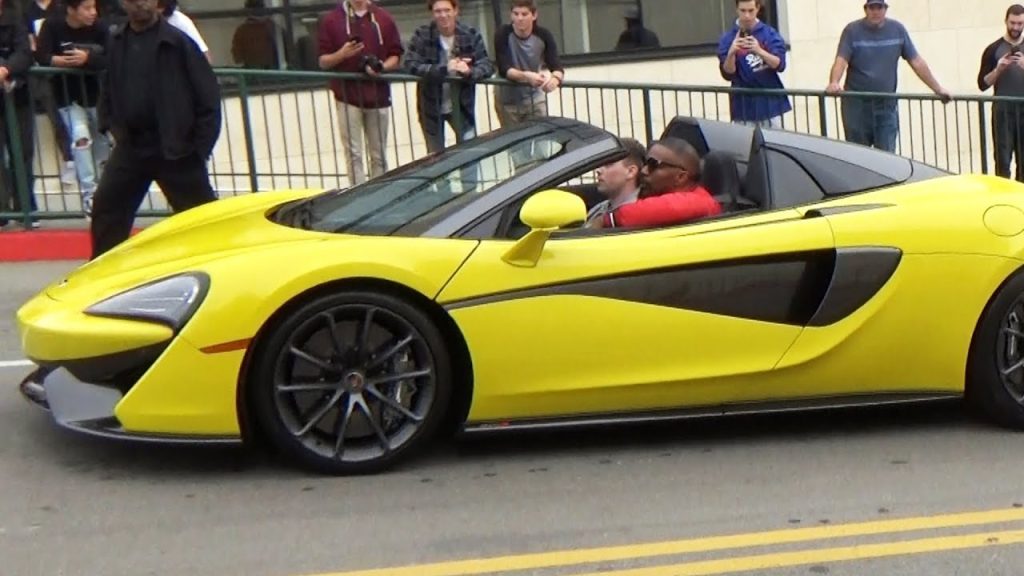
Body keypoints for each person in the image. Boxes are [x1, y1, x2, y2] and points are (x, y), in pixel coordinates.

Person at [90, 0, 221, 258]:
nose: (140, 3)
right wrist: (108, 123)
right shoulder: (116, 41)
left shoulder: (178, 42)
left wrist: (198, 150)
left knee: (203, 220)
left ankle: (216, 269)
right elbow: (108, 87)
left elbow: (208, 98)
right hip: (131, 147)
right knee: (107, 209)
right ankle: (103, 279)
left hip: (176, 150)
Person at [826, 0, 951, 152]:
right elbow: (841, 60)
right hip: (856, 105)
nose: (875, 11)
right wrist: (834, 82)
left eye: (879, 7)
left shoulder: (897, 30)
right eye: (872, 7)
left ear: (885, 9)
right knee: (858, 155)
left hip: (885, 105)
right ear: (865, 9)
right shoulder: (852, 31)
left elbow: (916, 61)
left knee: (887, 156)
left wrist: (937, 89)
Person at [35, 0, 111, 217]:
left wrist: (88, 58)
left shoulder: (101, 28)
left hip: (97, 96)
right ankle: (90, 195)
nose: (92, 13)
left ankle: (107, 191)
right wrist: (62, 61)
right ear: (71, 10)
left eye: (94, 7)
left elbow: (111, 56)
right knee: (80, 137)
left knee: (103, 142)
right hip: (67, 96)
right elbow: (41, 55)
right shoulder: (52, 25)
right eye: (86, 8)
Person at [318, 0, 404, 186]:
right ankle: (357, 197)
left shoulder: (383, 18)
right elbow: (323, 61)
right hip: (347, 95)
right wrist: (342, 54)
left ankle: (380, 195)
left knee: (378, 153)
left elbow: (396, 56)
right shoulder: (332, 20)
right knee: (353, 153)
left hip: (378, 95)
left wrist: (380, 67)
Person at [405, 0, 494, 154]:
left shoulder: (470, 34)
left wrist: (469, 71)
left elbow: (487, 65)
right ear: (432, 13)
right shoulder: (422, 34)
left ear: (456, 11)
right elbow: (411, 64)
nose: (443, 15)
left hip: (463, 106)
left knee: (469, 155)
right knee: (436, 159)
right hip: (431, 106)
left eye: (447, 10)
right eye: (438, 11)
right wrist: (444, 69)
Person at [594, 138, 721, 229]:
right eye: (645, 163)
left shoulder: (699, 202)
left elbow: (668, 207)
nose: (644, 170)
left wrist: (606, 220)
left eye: (653, 165)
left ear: (681, 177)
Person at [717, 0, 791, 128]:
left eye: (750, 11)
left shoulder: (769, 33)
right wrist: (731, 53)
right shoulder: (728, 38)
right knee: (745, 146)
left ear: (757, 9)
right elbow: (728, 73)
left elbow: (780, 65)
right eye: (743, 11)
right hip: (743, 107)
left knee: (773, 144)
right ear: (737, 10)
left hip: (770, 105)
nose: (747, 16)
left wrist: (759, 51)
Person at [493, 0, 563, 127]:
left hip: (534, 98)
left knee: (540, 137)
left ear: (534, 15)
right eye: (516, 14)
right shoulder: (503, 33)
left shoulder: (544, 35)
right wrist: (526, 76)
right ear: (511, 15)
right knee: (513, 141)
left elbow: (556, 65)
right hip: (507, 101)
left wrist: (555, 79)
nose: (519, 18)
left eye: (524, 14)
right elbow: (504, 68)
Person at [0, 0, 37, 228]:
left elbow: (25, 52)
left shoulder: (15, 19)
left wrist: (5, 69)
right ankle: (2, 210)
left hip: (17, 96)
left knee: (22, 153)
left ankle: (26, 206)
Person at [979, 4, 1024, 181]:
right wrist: (998, 70)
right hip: (1003, 111)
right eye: (1012, 23)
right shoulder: (993, 49)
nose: (1016, 27)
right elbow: (982, 84)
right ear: (1006, 21)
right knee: (1002, 160)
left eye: (1020, 23)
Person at [585, 137, 645, 226]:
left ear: (630, 172)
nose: (598, 170)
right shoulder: (599, 209)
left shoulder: (640, 215)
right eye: (600, 164)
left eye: (608, 164)